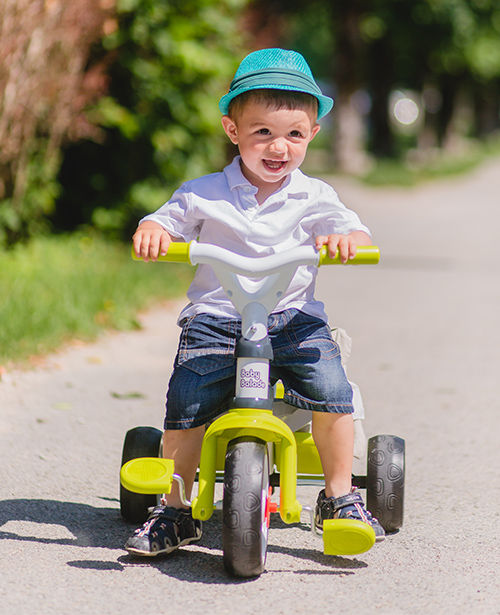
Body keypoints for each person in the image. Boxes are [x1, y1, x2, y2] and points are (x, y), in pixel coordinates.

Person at [126, 48, 384, 557]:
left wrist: (348, 238)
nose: (278, 146)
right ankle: (175, 510)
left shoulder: (315, 196)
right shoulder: (204, 192)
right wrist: (153, 229)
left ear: (312, 134)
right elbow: (167, 219)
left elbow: (348, 226)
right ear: (232, 130)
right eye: (262, 131)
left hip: (291, 320)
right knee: (187, 399)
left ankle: (339, 496)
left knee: (332, 388)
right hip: (216, 320)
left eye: (293, 134)